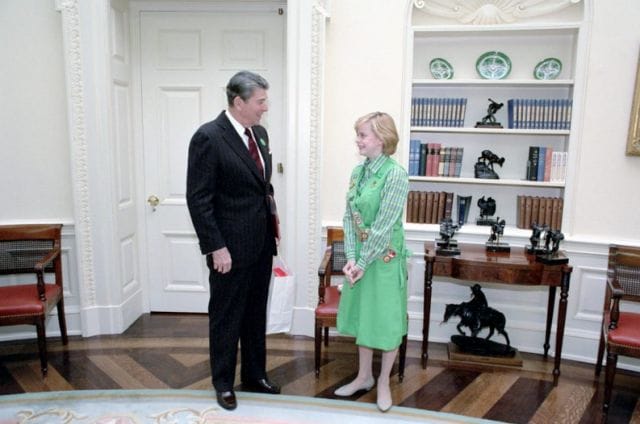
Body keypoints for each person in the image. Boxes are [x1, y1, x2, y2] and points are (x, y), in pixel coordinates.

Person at [186, 70, 280, 411]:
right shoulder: (208, 137)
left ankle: (255, 374)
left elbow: (261, 186)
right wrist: (215, 247)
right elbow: (198, 199)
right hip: (228, 249)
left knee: (255, 315)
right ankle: (223, 383)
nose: (265, 108)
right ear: (238, 102)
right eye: (260, 101)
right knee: (226, 318)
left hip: (261, 245)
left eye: (265, 100)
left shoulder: (261, 135)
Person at [335, 112, 409, 412]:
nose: (358, 140)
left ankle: (383, 382)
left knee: (387, 322)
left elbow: (383, 226)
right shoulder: (358, 172)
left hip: (385, 261)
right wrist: (351, 258)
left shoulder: (396, 174)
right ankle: (363, 376)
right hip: (362, 261)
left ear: (381, 138)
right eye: (358, 134)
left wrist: (362, 262)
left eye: (363, 135)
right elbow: (349, 219)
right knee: (365, 319)